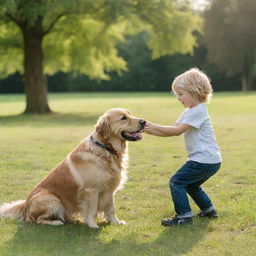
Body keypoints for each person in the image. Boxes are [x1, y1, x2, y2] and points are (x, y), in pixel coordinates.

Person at [143, 68, 222, 226]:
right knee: (192, 185)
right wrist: (147, 130)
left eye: (181, 94)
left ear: (195, 91)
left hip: (203, 160)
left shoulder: (198, 111)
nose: (178, 98)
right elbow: (172, 130)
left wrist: (150, 124)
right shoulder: (190, 111)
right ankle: (209, 211)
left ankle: (184, 217)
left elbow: (176, 131)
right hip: (209, 160)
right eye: (176, 94)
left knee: (177, 182)